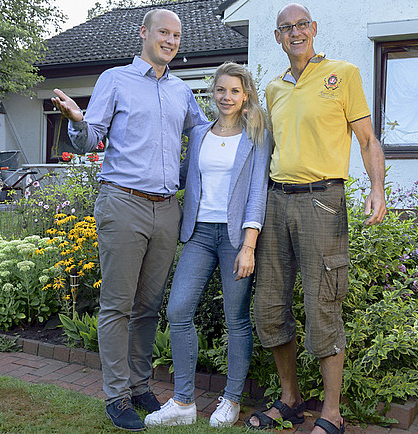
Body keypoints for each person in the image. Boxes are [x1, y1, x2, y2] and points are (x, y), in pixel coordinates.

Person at [51, 8, 207, 432]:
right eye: (164, 33)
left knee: (148, 306)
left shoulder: (181, 91)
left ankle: (140, 386)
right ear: (144, 34)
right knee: (117, 305)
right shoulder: (114, 80)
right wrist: (77, 120)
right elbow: (90, 138)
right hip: (123, 204)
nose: (171, 41)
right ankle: (116, 396)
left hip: (166, 208)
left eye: (177, 35)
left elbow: (208, 133)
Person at [245, 4, 387, 434]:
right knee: (270, 305)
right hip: (275, 202)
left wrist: (377, 189)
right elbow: (261, 146)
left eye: (302, 25)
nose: (295, 33)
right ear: (277, 37)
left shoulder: (343, 74)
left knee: (323, 304)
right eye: (286, 28)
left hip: (322, 201)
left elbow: (367, 140)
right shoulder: (273, 88)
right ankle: (289, 399)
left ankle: (331, 412)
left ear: (314, 29)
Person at [143, 62, 271, 428]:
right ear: (212, 93)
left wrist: (249, 246)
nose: (226, 97)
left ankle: (230, 399)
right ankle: (183, 403)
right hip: (198, 234)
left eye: (234, 91)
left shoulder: (256, 134)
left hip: (236, 240)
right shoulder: (199, 133)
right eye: (220, 90)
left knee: (237, 320)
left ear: (245, 95)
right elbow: (183, 176)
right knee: (179, 310)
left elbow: (257, 194)